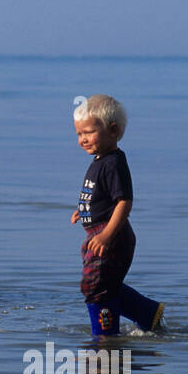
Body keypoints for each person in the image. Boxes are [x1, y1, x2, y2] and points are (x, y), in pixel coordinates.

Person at [72, 95, 162, 335]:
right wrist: (84, 210)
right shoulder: (100, 160)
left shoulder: (113, 163)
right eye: (79, 134)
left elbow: (124, 201)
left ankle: (105, 336)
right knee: (103, 284)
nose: (82, 140)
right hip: (99, 232)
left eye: (88, 133)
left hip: (112, 236)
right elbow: (103, 197)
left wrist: (107, 235)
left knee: (96, 286)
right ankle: (146, 312)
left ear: (113, 130)